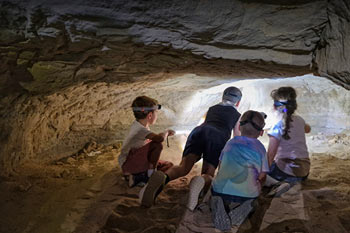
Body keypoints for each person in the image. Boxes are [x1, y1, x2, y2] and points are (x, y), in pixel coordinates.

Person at [140, 86, 242, 208]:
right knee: (208, 173)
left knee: (183, 167)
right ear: (238, 102)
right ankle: (201, 183)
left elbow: (204, 122)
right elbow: (237, 136)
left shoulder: (212, 108)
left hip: (199, 131)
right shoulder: (237, 115)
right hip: (217, 136)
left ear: (223, 97)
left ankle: (164, 176)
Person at [204, 110, 268, 231]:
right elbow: (262, 175)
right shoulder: (260, 148)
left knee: (217, 191)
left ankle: (218, 204)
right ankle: (240, 213)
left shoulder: (230, 143)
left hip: (220, 190)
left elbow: (221, 166)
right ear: (261, 132)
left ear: (239, 127)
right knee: (254, 202)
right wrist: (259, 186)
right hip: (246, 194)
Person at [119, 96, 175, 187]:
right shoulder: (140, 130)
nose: (157, 116)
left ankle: (138, 177)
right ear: (149, 115)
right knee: (157, 145)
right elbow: (159, 139)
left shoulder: (138, 125)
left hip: (132, 162)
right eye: (156, 113)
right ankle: (148, 177)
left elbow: (154, 137)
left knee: (168, 165)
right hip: (129, 164)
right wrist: (166, 132)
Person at [265, 86, 311, 196]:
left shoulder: (277, 126)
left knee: (256, 169)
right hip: (304, 171)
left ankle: (277, 184)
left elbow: (270, 155)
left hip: (286, 172)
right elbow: (308, 129)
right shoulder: (299, 120)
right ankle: (288, 183)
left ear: (275, 106)